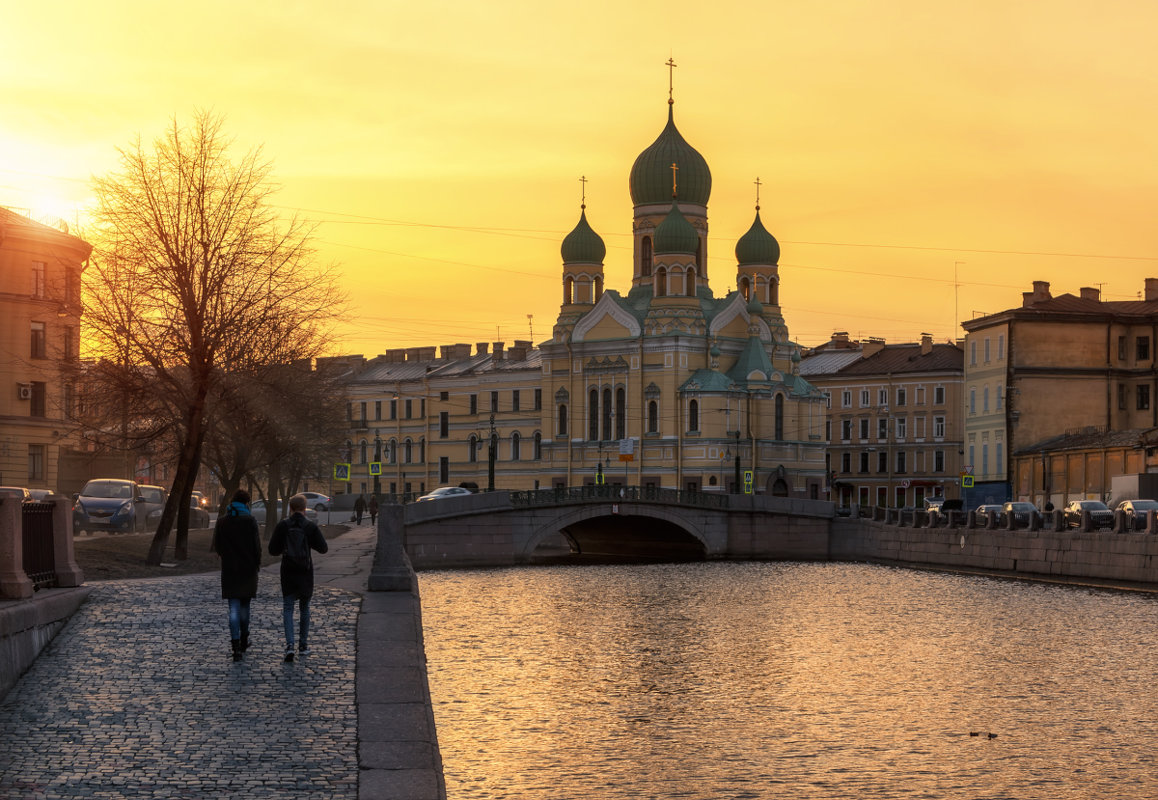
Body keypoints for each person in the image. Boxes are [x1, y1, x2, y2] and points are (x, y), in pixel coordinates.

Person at [269, 493, 328, 662]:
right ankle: (303, 646)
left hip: (288, 572)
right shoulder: (310, 526)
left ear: (291, 508)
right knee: (305, 608)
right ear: (304, 508)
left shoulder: (283, 526)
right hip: (305, 572)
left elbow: (272, 550)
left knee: (288, 608)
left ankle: (289, 646)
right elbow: (324, 548)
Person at [211, 489, 262, 662]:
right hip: (248, 570)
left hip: (230, 570)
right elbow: (257, 547)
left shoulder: (222, 522)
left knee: (233, 608)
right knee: (245, 607)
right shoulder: (250, 521)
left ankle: (235, 648)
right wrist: (257, 564)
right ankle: (244, 640)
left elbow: (217, 546)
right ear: (246, 504)